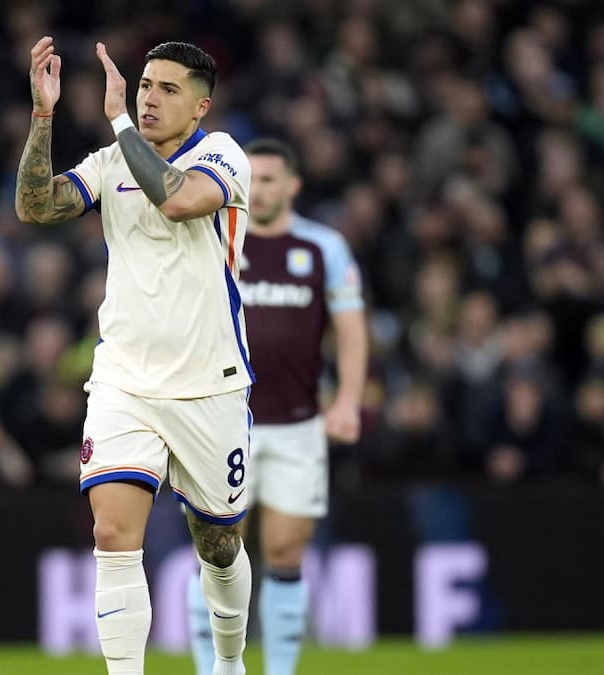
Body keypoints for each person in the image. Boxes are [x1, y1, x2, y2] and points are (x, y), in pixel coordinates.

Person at [15, 37, 255, 675]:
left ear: (201, 107)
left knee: (220, 544)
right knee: (114, 538)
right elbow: (35, 205)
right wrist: (43, 118)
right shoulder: (109, 162)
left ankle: (228, 663)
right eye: (145, 85)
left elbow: (177, 199)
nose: (149, 98)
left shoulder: (224, 158)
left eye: (167, 89)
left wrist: (119, 122)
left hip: (211, 384)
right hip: (124, 382)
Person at [188, 138, 368, 675]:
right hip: (219, 423)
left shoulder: (322, 247)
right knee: (219, 555)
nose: (259, 188)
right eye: (252, 177)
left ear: (292, 186)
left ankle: (280, 670)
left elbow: (351, 329)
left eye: (270, 179)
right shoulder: (215, 234)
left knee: (286, 552)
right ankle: (213, 668)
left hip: (296, 424)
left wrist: (349, 403)